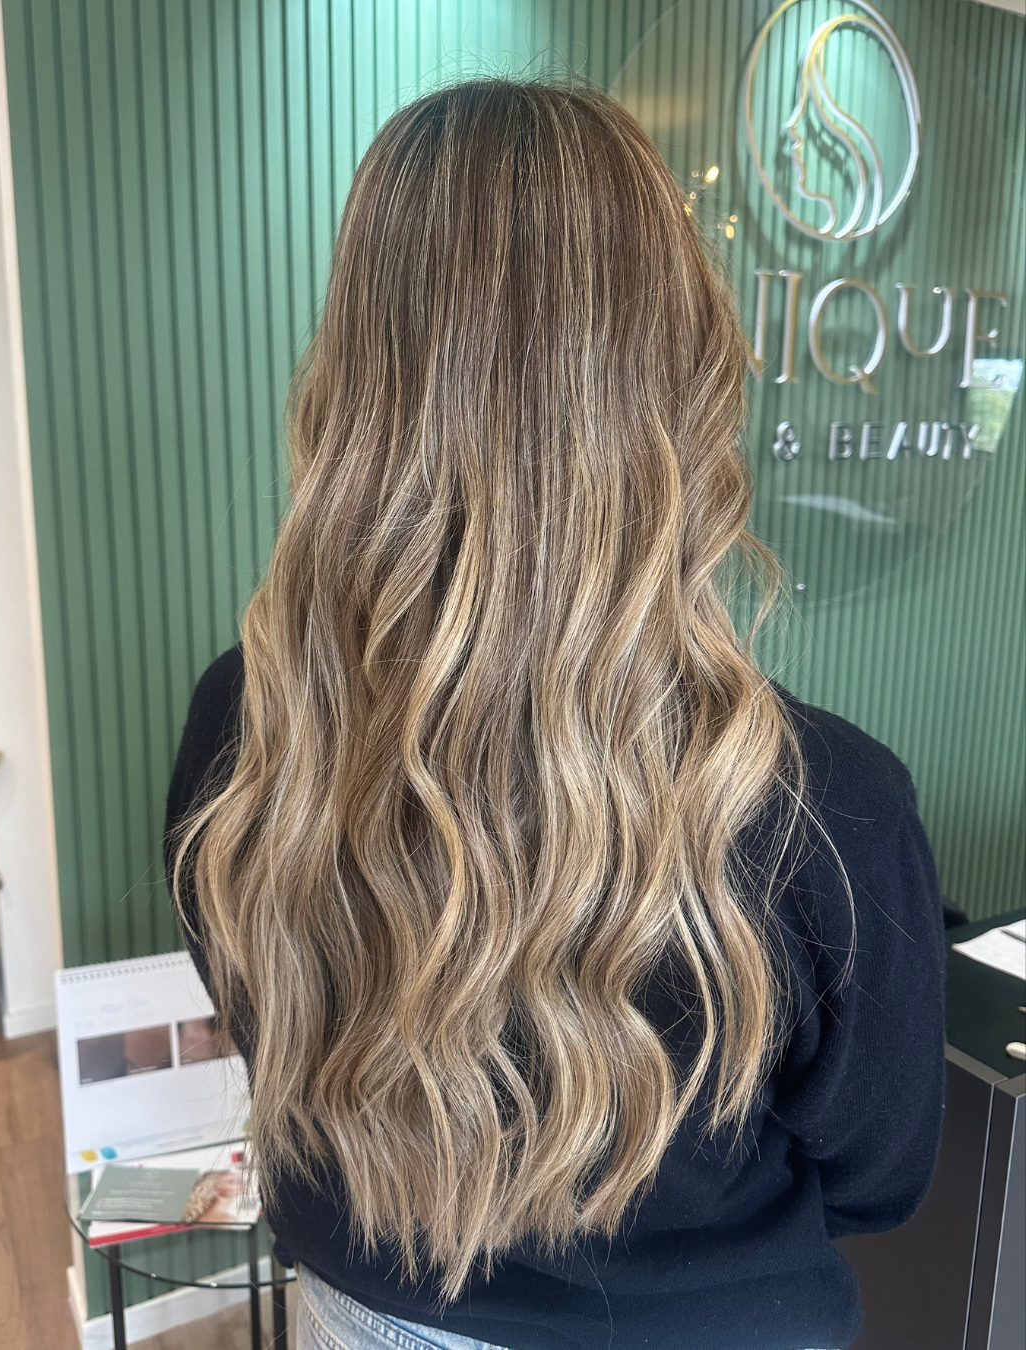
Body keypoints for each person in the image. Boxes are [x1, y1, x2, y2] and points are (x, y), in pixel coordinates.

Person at [164, 78, 946, 1350]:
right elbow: (879, 1180)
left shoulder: (244, 728)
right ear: (682, 371)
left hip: (364, 1310)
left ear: (359, 368)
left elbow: (257, 1007)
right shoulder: (828, 813)